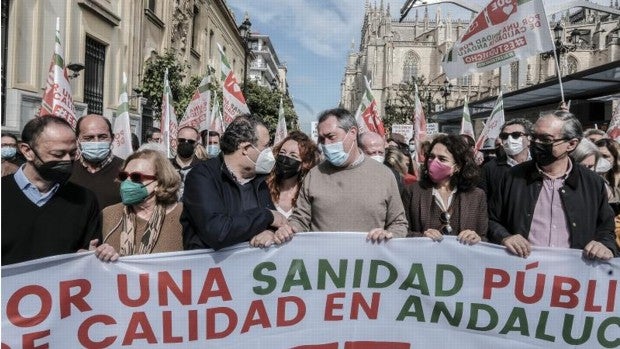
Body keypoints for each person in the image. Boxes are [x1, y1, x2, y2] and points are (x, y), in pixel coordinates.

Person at [488, 110, 617, 260]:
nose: (536, 143)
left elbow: (606, 229)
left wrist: (605, 245)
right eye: (534, 137)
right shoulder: (513, 177)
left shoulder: (592, 183)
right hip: (521, 273)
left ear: (571, 144)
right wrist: (505, 237)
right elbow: (491, 220)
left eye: (546, 139)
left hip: (573, 276)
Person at [274, 108, 408, 244]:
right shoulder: (314, 175)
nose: (326, 144)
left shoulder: (384, 175)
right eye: (321, 139)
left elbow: (398, 223)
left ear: (352, 133)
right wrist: (289, 229)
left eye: (331, 137)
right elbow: (300, 220)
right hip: (323, 262)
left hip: (367, 262)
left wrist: (390, 235)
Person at [2, 116, 101, 265]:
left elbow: (87, 252)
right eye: (58, 154)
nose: (67, 160)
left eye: (73, 153)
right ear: (27, 151)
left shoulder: (85, 199)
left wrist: (91, 255)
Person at [181, 114, 287, 250]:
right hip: (210, 269)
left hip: (248, 268)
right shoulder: (202, 176)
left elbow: (274, 224)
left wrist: (270, 232)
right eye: (265, 146)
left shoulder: (259, 180)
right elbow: (218, 233)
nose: (269, 152)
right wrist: (265, 215)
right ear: (245, 149)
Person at [93, 149, 183, 262]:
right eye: (124, 176)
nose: (127, 182)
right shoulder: (108, 214)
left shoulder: (183, 214)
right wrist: (96, 253)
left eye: (136, 177)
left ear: (159, 182)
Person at [403, 135, 486, 245]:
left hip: (461, 259)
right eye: (431, 157)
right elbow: (402, 232)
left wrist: (476, 238)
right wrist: (421, 237)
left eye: (442, 159)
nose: (433, 162)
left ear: (458, 166)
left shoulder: (476, 195)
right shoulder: (413, 191)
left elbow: (484, 237)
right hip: (425, 258)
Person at [69, 114, 123, 210]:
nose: (96, 142)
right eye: (88, 138)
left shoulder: (127, 169)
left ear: (112, 138)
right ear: (77, 140)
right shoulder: (67, 170)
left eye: (102, 137)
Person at [265, 131, 319, 220]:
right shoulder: (264, 187)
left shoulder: (308, 193)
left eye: (293, 156)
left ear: (305, 164)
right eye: (282, 153)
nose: (285, 159)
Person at [479, 118, 532, 200]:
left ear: (529, 139)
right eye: (504, 136)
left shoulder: (540, 165)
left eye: (516, 135)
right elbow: (482, 200)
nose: (509, 140)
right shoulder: (489, 168)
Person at [171, 126, 201, 199]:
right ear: (176, 141)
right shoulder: (165, 165)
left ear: (196, 144)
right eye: (182, 140)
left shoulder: (204, 168)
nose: (186, 143)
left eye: (191, 141)